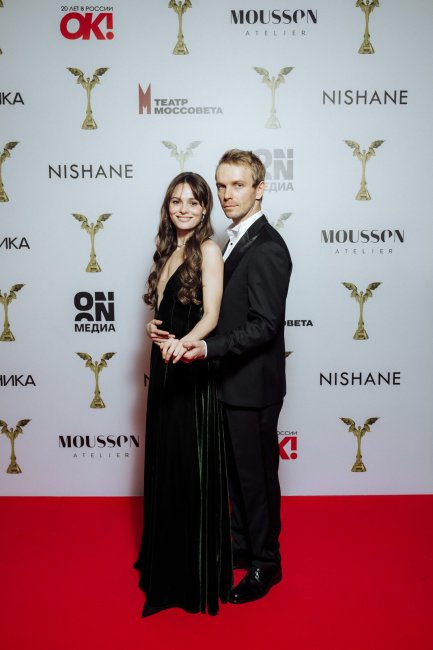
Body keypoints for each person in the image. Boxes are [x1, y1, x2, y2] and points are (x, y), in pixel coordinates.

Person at [168, 149, 292, 605]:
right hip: (231, 382)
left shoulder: (268, 246)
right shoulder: (236, 240)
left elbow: (264, 326)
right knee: (238, 476)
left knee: (256, 478)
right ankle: (243, 545)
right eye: (221, 185)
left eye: (238, 185)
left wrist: (207, 349)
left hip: (253, 387)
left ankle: (266, 563)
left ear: (260, 188)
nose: (226, 194)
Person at [134, 172, 232, 617]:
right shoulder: (168, 250)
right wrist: (154, 328)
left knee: (186, 468)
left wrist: (183, 344)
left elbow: (211, 316)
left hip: (189, 368)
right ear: (167, 207)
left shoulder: (208, 250)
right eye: (176, 201)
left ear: (205, 208)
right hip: (164, 365)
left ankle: (187, 574)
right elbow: (167, 307)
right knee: (165, 464)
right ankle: (163, 561)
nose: (184, 209)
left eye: (193, 202)